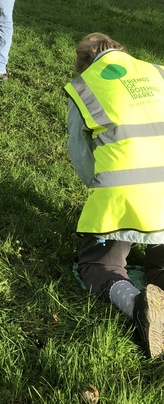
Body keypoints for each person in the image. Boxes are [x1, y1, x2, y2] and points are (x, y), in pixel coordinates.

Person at [65, 32, 164, 359]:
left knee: (97, 264)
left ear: (83, 63)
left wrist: (102, 193)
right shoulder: (157, 71)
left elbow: (83, 160)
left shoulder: (85, 87)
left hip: (123, 194)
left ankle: (137, 306)